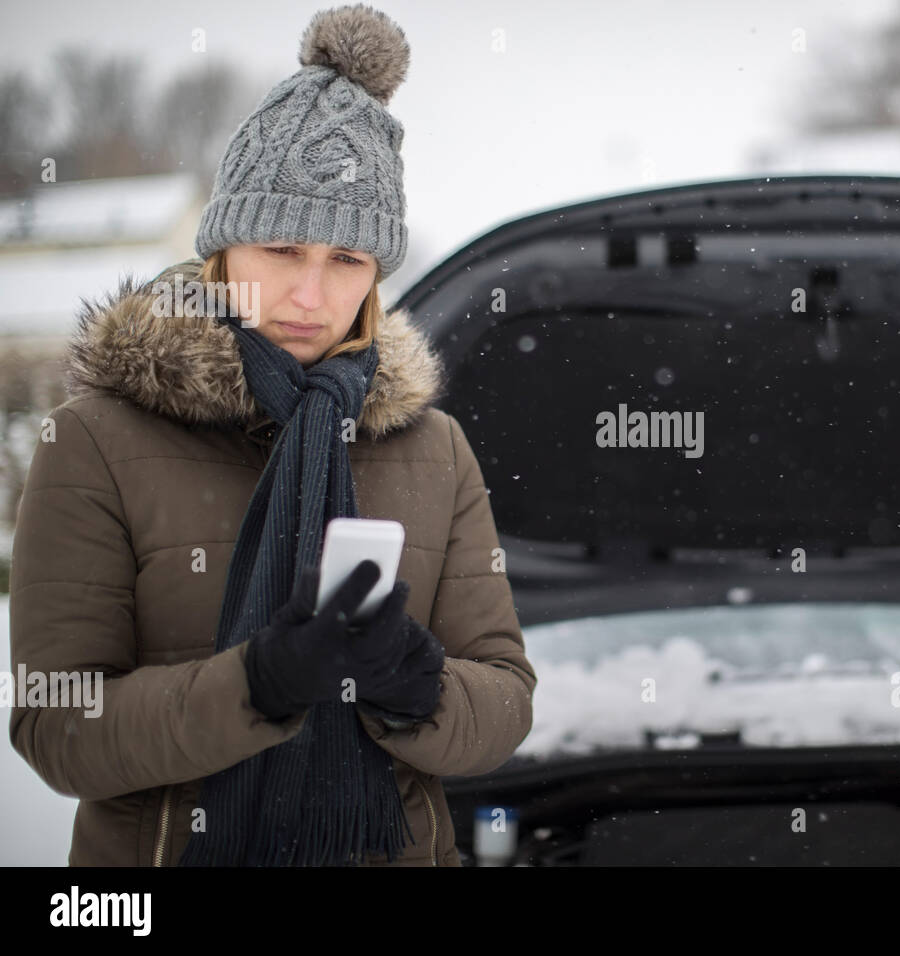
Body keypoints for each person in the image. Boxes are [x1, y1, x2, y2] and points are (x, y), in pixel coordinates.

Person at [8, 3, 536, 866]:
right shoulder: (96, 439)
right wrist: (254, 685)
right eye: (283, 249)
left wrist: (420, 689)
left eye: (347, 261)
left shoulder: (432, 448)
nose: (310, 296)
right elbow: (58, 726)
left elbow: (506, 703)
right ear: (221, 251)